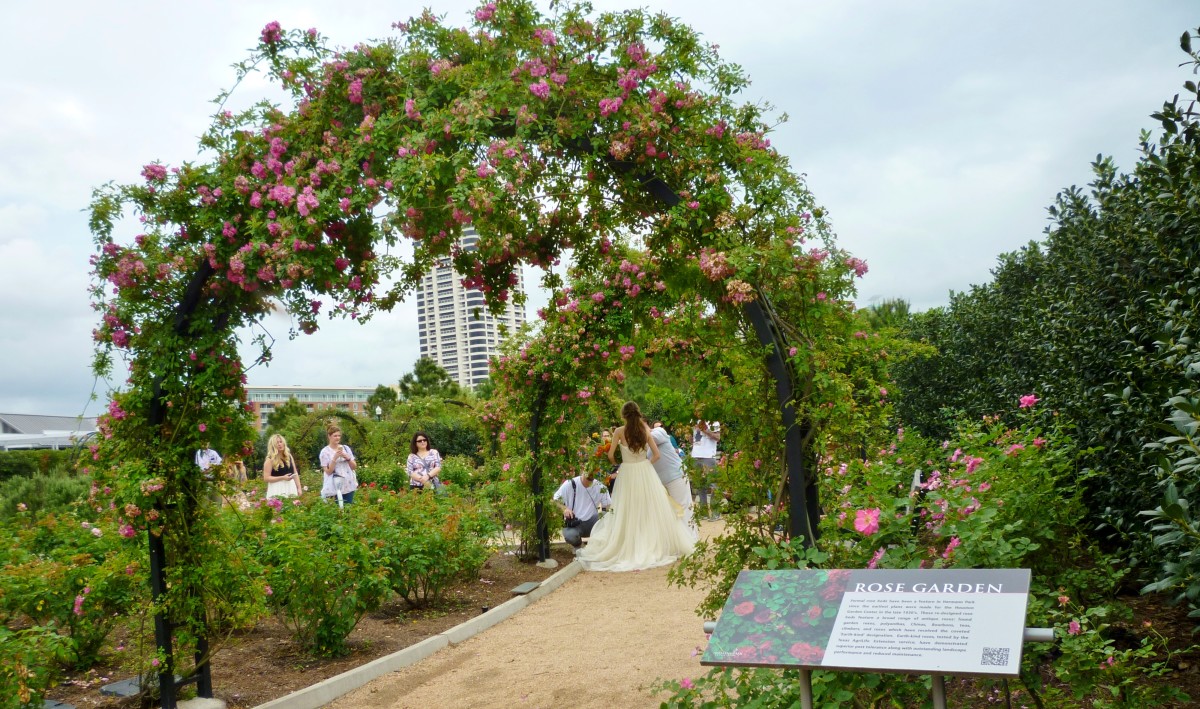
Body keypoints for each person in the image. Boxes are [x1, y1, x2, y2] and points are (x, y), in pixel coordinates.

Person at [577, 402, 696, 572]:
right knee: (651, 508)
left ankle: (631, 543)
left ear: (623, 415)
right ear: (638, 413)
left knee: (627, 508)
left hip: (627, 472)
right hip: (645, 470)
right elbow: (657, 454)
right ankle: (653, 543)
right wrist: (646, 463)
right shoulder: (645, 431)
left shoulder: (619, 431)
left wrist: (618, 462)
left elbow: (610, 455)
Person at [552, 467, 612, 549]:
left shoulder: (601, 487)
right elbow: (555, 499)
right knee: (571, 536)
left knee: (607, 516)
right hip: (575, 523)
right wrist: (565, 509)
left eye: (591, 479)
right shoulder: (570, 483)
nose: (588, 482)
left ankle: (599, 546)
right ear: (582, 471)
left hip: (592, 522)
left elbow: (608, 507)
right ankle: (578, 546)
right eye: (586, 477)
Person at [650, 423, 694, 529]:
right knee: (671, 513)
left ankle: (692, 540)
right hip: (662, 481)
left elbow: (654, 438)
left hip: (676, 476)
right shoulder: (646, 444)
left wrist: (640, 433)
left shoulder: (659, 432)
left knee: (683, 508)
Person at [319, 425, 359, 504]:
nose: (337, 438)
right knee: (336, 509)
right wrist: (334, 458)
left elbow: (354, 467)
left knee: (348, 508)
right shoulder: (325, 452)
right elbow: (328, 472)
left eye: (339, 436)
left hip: (348, 484)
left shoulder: (346, 448)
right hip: (334, 486)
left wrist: (348, 458)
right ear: (329, 436)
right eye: (335, 436)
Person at [691, 419, 721, 520]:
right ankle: (703, 513)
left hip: (708, 456)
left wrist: (705, 429)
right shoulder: (693, 420)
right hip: (695, 455)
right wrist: (689, 438)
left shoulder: (714, 422)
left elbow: (717, 437)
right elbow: (696, 440)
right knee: (700, 485)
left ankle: (716, 512)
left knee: (713, 484)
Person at [263, 434, 302, 499]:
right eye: (277, 443)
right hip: (277, 488)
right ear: (273, 446)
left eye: (281, 442)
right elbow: (266, 478)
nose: (279, 444)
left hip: (290, 487)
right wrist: (282, 478)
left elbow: (295, 473)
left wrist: (299, 488)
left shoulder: (289, 456)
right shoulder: (270, 460)